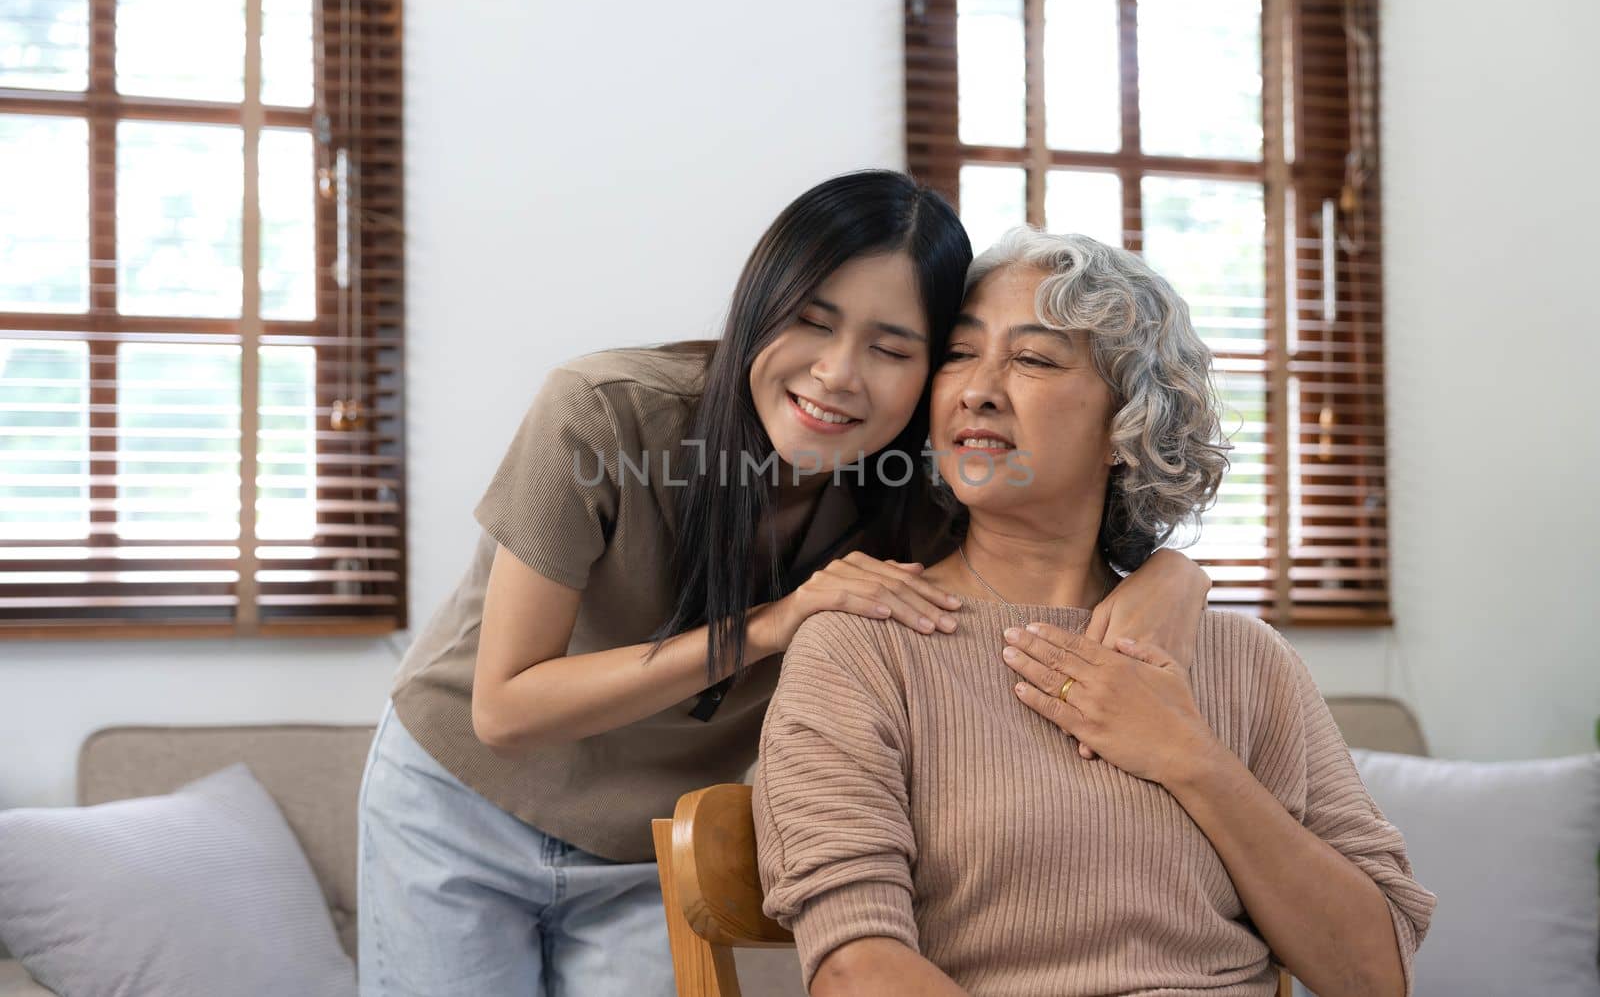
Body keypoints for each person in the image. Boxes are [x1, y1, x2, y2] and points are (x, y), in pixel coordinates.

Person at [357, 175, 1215, 997]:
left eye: (891, 348)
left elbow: (1063, 517)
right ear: (757, 306)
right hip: (457, 804)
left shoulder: (922, 493)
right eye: (812, 321)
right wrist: (771, 625)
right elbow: (504, 708)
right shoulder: (603, 413)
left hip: (647, 849)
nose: (840, 374)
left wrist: (1178, 572)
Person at [754, 226, 1437, 997]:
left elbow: (1376, 972)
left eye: (1033, 358)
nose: (977, 387)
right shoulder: (862, 649)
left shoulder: (1246, 660)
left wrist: (1190, 757)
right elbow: (854, 968)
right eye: (958, 354)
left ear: (1128, 426)